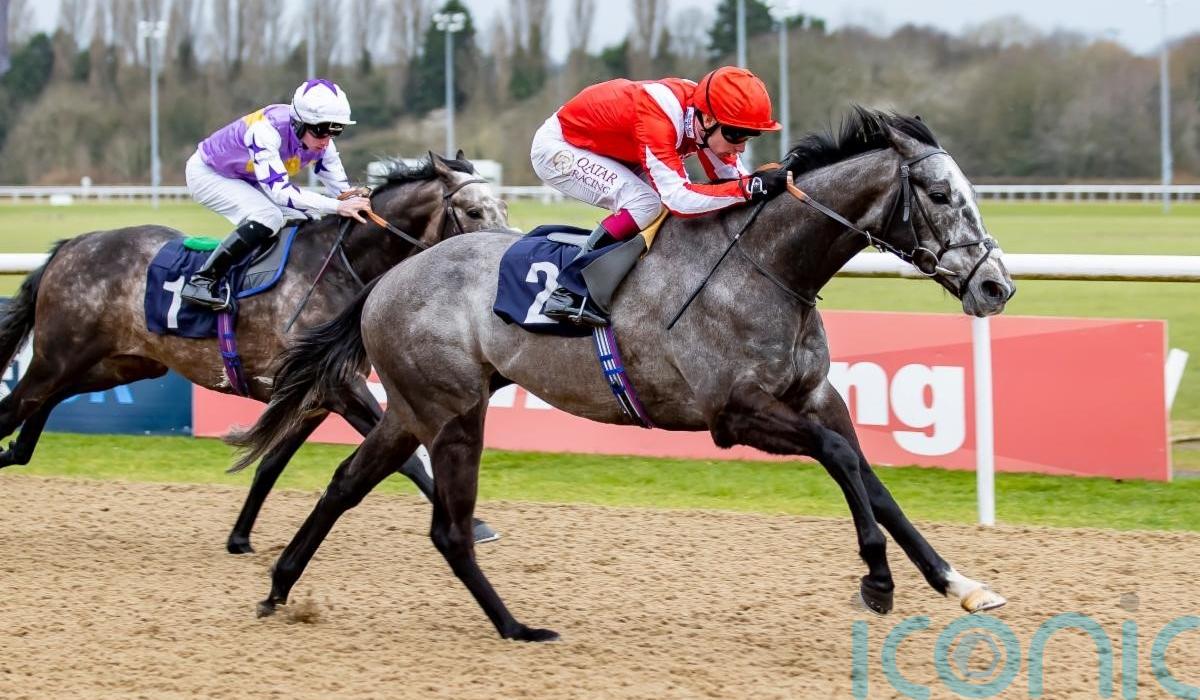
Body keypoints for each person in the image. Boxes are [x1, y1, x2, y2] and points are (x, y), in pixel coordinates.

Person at [529, 66, 792, 326]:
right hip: (560, 146)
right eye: (737, 134)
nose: (742, 147)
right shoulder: (660, 114)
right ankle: (569, 291)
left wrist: (767, 185)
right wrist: (749, 188)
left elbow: (734, 181)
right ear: (709, 120)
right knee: (646, 204)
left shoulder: (704, 118)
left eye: (750, 136)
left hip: (614, 151)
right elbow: (680, 200)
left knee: (668, 204)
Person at [180, 78, 373, 309]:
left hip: (246, 177)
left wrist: (359, 200)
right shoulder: (265, 131)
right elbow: (281, 192)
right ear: (299, 123)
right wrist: (337, 206)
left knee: (305, 217)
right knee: (268, 216)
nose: (326, 141)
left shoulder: (323, 144)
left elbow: (343, 192)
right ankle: (202, 280)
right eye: (321, 131)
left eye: (335, 131)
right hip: (209, 173)